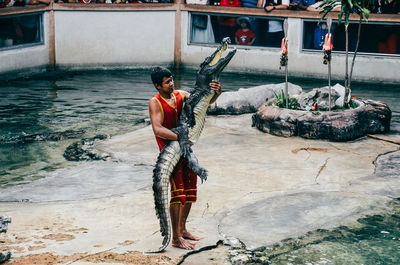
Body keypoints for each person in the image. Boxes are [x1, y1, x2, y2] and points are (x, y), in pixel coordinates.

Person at [148, 67, 222, 250]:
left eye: (172, 80)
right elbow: (157, 129)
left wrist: (216, 93)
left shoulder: (181, 95)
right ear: (158, 85)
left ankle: (182, 229)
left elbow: (204, 103)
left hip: (186, 151)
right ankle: (175, 238)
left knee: (190, 191)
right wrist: (180, 137)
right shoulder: (155, 102)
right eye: (167, 82)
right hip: (170, 153)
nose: (171, 84)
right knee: (177, 194)